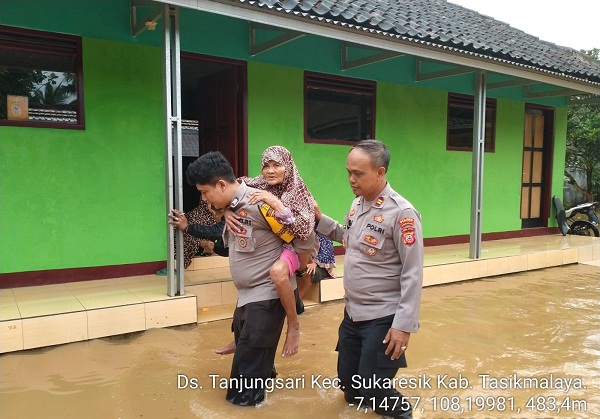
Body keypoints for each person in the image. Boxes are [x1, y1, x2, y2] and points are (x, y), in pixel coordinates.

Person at [177, 151, 300, 406]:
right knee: (257, 367)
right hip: (247, 298)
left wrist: (293, 323)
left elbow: (303, 235)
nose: (203, 198)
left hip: (266, 298)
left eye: (204, 192)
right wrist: (222, 217)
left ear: (221, 184)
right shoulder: (233, 207)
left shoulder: (260, 204)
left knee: (241, 397)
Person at [315, 139, 423, 418]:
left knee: (375, 388)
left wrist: (403, 326)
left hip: (383, 316)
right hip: (353, 314)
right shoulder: (358, 204)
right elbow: (347, 236)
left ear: (381, 172)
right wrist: (319, 220)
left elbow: (413, 273)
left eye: (358, 174)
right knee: (349, 384)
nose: (351, 179)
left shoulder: (402, 214)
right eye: (349, 172)